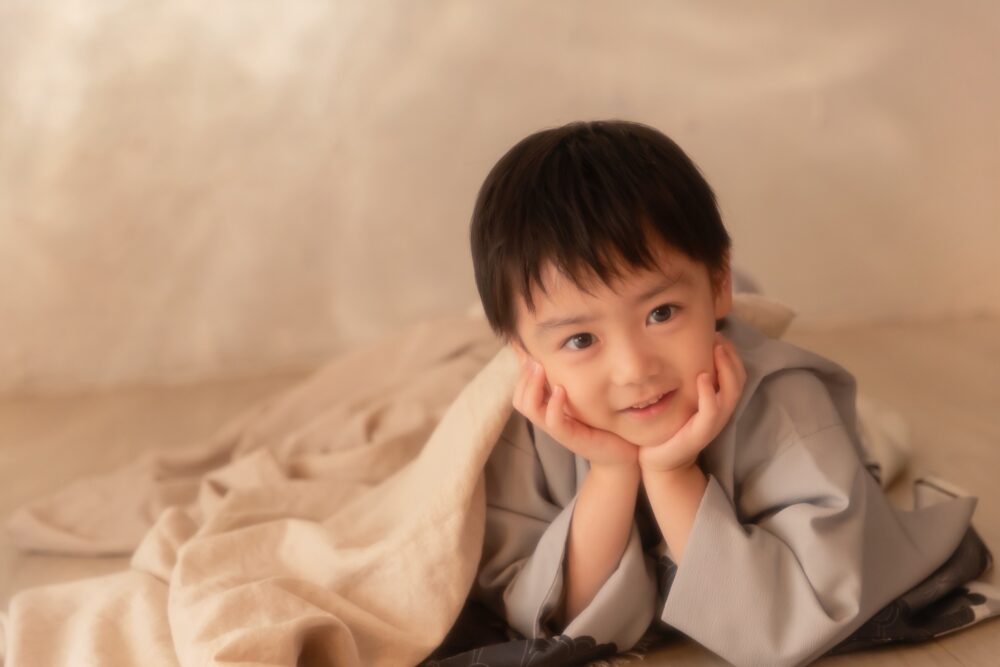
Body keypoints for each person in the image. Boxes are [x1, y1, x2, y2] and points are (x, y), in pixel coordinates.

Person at [462, 120, 981, 666]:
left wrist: (671, 473)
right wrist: (612, 474)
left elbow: (779, 622)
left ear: (718, 283)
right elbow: (559, 619)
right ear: (522, 351)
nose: (634, 369)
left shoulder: (786, 403)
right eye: (581, 339)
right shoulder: (530, 426)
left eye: (661, 312)